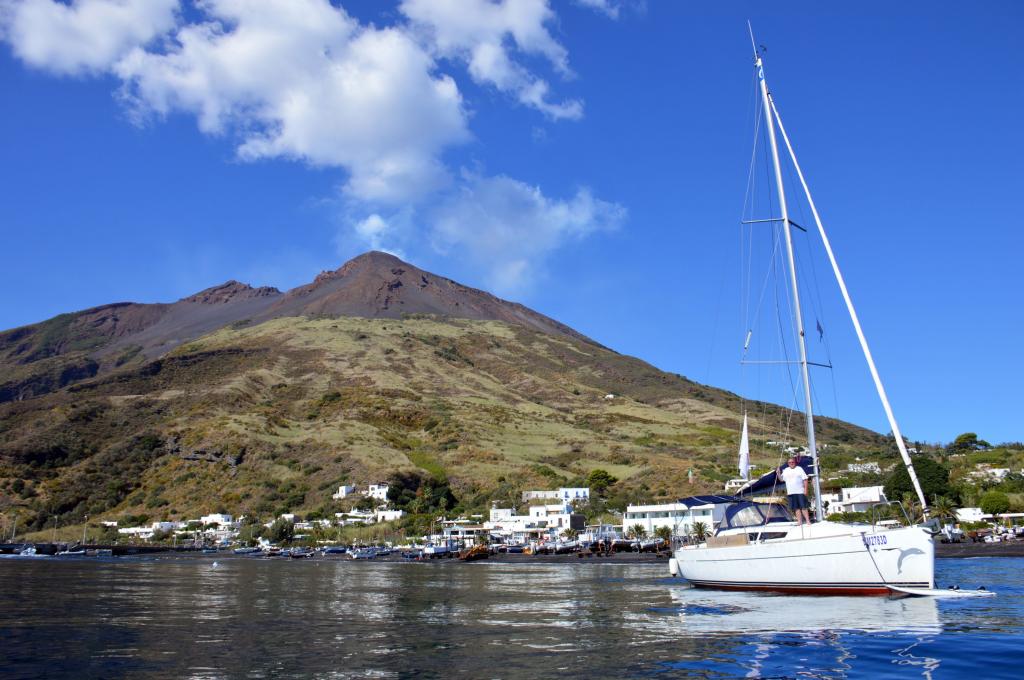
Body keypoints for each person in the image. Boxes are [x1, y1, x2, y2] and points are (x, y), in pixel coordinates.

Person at [778, 457, 811, 526]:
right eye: (789, 463)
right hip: (791, 492)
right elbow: (781, 480)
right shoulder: (786, 470)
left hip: (800, 491)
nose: (791, 463)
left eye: (792, 462)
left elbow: (805, 479)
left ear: (795, 462)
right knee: (796, 508)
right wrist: (778, 473)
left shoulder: (799, 469)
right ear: (788, 464)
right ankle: (800, 522)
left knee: (803, 507)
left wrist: (805, 489)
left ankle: (808, 521)